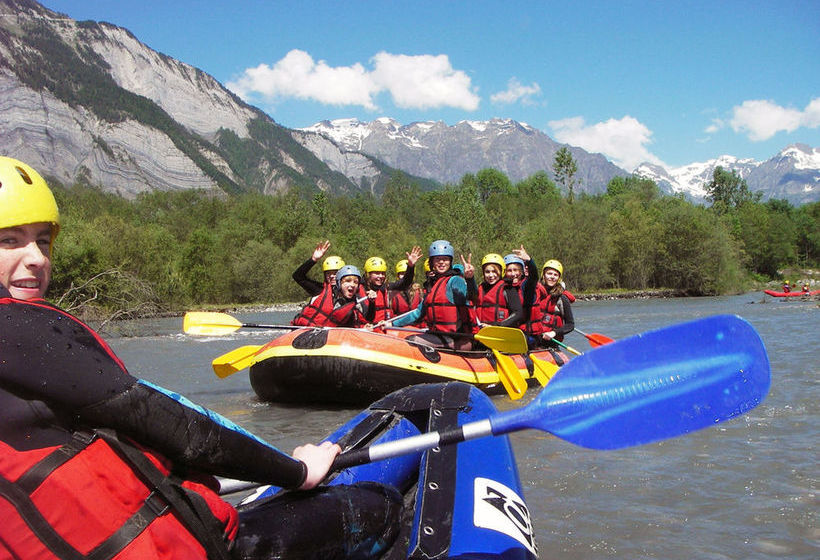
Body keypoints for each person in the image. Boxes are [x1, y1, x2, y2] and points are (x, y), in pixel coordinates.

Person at [0, 157, 399, 559]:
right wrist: (297, 471)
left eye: (43, 241)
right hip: (174, 548)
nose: (37, 258)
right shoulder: (20, 329)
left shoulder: (369, 301)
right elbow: (177, 426)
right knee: (380, 505)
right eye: (10, 240)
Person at [391, 240, 477, 351]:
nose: (441, 262)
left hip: (457, 339)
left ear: (450, 262)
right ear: (432, 262)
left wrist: (470, 279)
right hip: (439, 336)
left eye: (445, 259)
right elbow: (417, 313)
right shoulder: (434, 285)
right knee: (405, 337)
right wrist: (392, 323)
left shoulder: (455, 280)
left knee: (413, 340)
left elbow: (472, 297)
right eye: (437, 259)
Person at [361, 246, 421, 325]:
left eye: (382, 273)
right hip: (369, 330)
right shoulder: (360, 289)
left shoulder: (385, 287)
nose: (380, 276)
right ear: (368, 274)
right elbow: (366, 316)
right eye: (376, 273)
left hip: (384, 328)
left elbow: (405, 283)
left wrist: (410, 266)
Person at [290, 241, 345, 327]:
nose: (331, 276)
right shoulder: (319, 289)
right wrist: (313, 259)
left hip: (332, 333)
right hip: (310, 330)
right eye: (328, 273)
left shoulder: (349, 292)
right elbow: (297, 276)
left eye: (335, 273)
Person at [467, 253, 524, 327]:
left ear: (501, 272)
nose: (491, 275)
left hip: (501, 332)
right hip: (482, 332)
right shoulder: (481, 287)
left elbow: (518, 313)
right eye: (487, 272)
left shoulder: (508, 288)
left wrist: (497, 326)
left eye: (494, 271)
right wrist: (469, 278)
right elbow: (472, 296)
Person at [536, 259, 575, 346]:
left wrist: (553, 333)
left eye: (556, 275)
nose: (552, 277)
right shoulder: (536, 293)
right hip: (534, 340)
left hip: (551, 343)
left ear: (559, 278)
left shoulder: (562, 298)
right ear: (543, 275)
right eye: (549, 273)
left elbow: (570, 325)